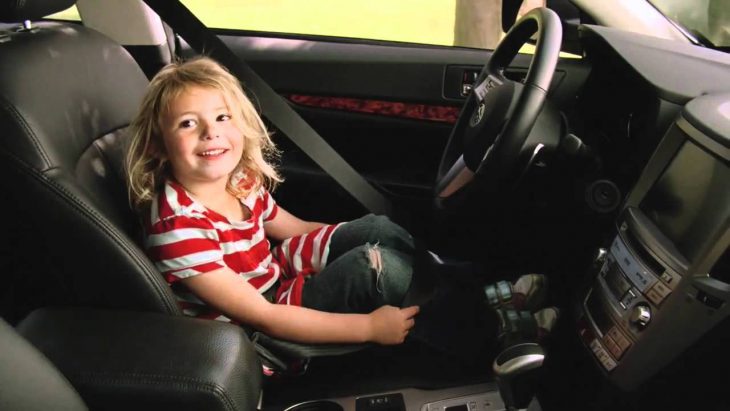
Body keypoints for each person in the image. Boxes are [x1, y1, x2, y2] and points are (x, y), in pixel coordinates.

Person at [125, 56, 557, 359]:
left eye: (222, 118)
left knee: (377, 229)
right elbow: (263, 316)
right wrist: (369, 328)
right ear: (159, 147)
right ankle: (492, 333)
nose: (210, 133)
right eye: (188, 124)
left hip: (277, 277)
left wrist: (358, 236)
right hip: (258, 333)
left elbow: (294, 229)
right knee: (374, 270)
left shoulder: (238, 180)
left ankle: (480, 294)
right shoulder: (177, 227)